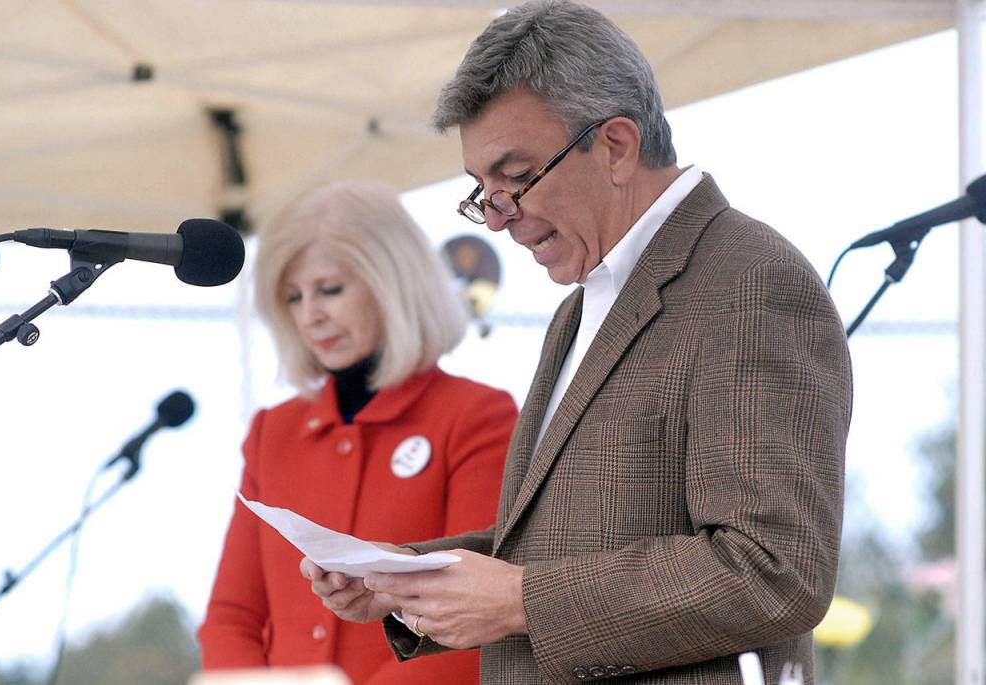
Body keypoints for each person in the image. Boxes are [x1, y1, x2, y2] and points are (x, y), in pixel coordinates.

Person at [303, 2, 853, 683]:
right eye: (482, 190)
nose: (500, 217)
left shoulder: (751, 282)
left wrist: (519, 601)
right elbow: (563, 543)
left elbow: (775, 569)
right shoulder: (582, 306)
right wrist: (407, 577)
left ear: (616, 146)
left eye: (517, 177)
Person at [198, 180, 518, 684]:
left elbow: (477, 622)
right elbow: (231, 617)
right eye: (293, 297)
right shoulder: (272, 431)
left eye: (329, 289)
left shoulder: (477, 416)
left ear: (392, 282)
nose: (311, 315)